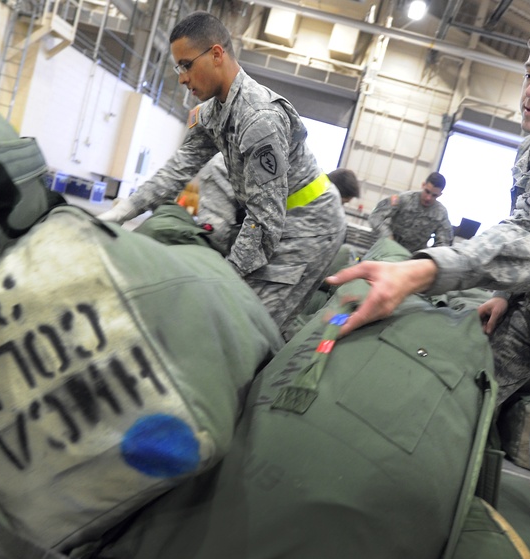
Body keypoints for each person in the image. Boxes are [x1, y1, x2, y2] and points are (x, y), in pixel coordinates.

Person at [326, 17, 530, 559]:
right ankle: (449, 514)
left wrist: (422, 271)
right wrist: (510, 297)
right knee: (466, 387)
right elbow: (525, 227)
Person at [99, 12, 346, 337]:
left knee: (248, 329)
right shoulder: (213, 112)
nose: (182, 78)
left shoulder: (259, 119)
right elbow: (178, 169)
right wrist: (123, 210)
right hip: (273, 217)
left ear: (216, 54)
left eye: (186, 65)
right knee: (226, 311)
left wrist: (226, 277)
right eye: (178, 68)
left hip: (308, 226)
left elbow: (265, 220)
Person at [367, 171, 452, 251]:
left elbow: (444, 243)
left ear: (440, 195)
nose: (428, 198)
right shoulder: (403, 199)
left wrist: (428, 257)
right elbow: (376, 216)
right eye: (427, 192)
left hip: (413, 259)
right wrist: (387, 237)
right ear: (423, 185)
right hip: (387, 250)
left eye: (434, 195)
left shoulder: (441, 214)